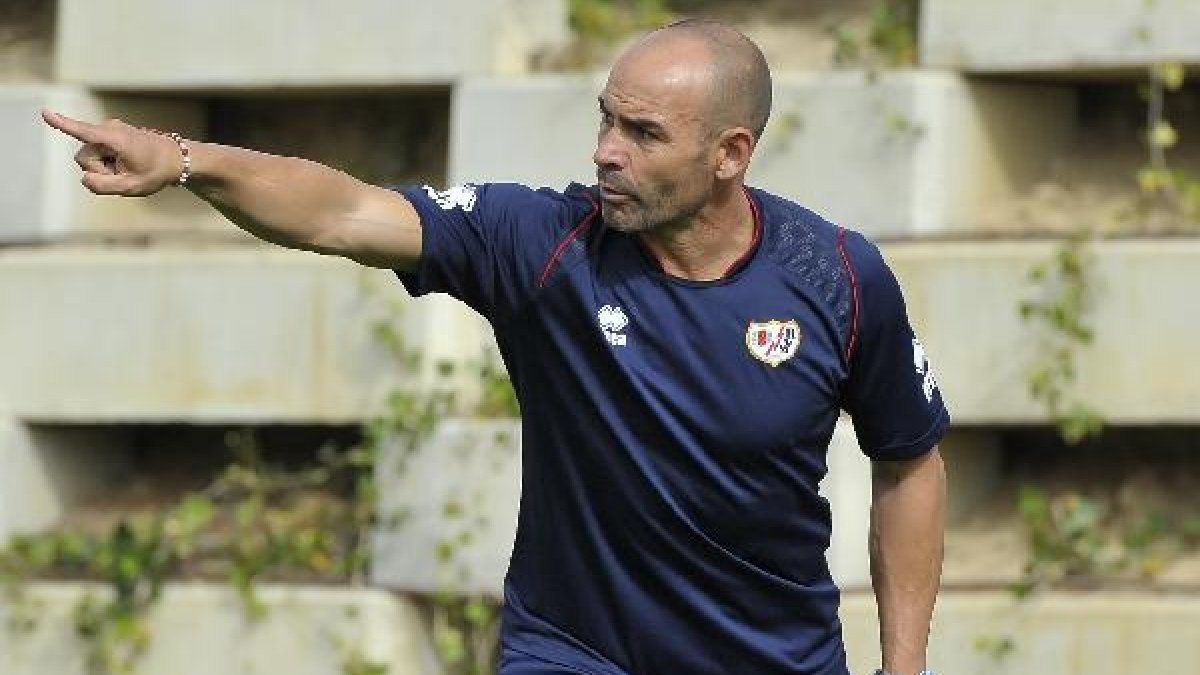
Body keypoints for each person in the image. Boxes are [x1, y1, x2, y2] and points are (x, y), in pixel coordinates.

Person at [42, 18, 947, 675]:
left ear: (730, 153)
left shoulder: (837, 276)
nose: (607, 152)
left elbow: (909, 463)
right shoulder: (542, 245)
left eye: (642, 134)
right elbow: (344, 212)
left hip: (771, 655)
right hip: (574, 651)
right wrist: (187, 161)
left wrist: (903, 668)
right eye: (605, 120)